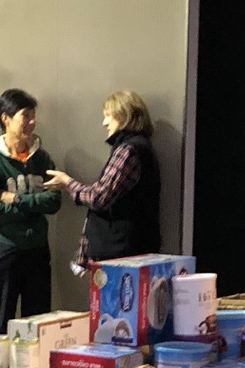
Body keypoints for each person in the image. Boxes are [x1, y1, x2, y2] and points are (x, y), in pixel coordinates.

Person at [47, 89, 162, 269]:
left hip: (121, 255)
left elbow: (99, 197)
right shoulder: (139, 147)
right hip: (130, 252)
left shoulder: (128, 150)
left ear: (124, 115)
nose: (104, 122)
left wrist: (67, 182)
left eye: (108, 115)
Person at [0, 87, 61, 334]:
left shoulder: (42, 159)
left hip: (36, 248)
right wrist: (36, 202)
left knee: (37, 323)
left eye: (33, 115)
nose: (32, 122)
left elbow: (54, 203)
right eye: (25, 116)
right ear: (6, 118)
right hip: (5, 248)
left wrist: (15, 199)